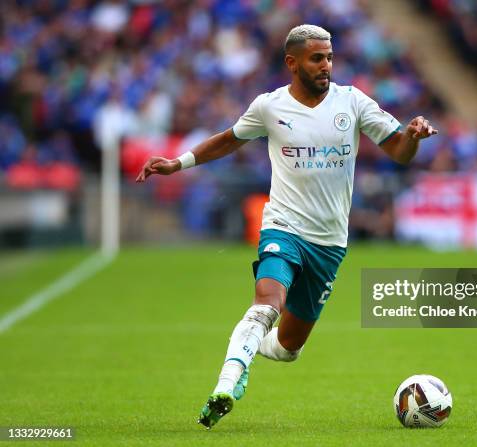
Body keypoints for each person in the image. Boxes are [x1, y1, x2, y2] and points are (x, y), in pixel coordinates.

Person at [136, 24, 437, 429]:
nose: (326, 65)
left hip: (329, 242)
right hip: (283, 226)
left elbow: (399, 150)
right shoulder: (269, 106)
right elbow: (230, 139)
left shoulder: (353, 102)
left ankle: (246, 345)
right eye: (317, 58)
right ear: (292, 63)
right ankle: (227, 383)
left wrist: (414, 136)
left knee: (289, 346)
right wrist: (179, 162)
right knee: (267, 304)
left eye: (329, 57)